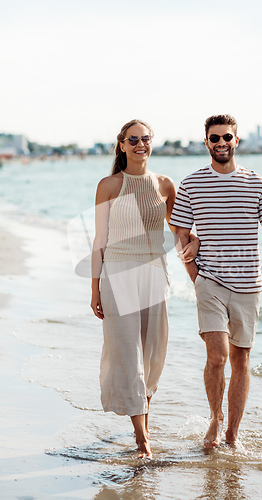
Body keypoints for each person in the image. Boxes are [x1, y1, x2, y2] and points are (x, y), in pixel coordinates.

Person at [170, 114, 262, 449]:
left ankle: (233, 433)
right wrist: (194, 271)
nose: (221, 143)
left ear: (236, 141)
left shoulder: (258, 184)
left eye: (227, 137)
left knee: (241, 360)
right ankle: (215, 422)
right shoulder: (191, 184)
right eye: (214, 138)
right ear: (206, 142)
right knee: (217, 356)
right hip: (210, 282)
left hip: (249, 284)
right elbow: (179, 231)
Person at [90, 119, 199, 458]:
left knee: (152, 356)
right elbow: (100, 239)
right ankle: (142, 440)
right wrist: (94, 290)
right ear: (121, 145)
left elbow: (180, 233)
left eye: (145, 138)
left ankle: (144, 427)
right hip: (118, 275)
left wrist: (196, 255)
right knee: (128, 355)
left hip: (155, 275)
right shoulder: (109, 185)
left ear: (152, 142)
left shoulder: (165, 185)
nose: (140, 144)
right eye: (133, 139)